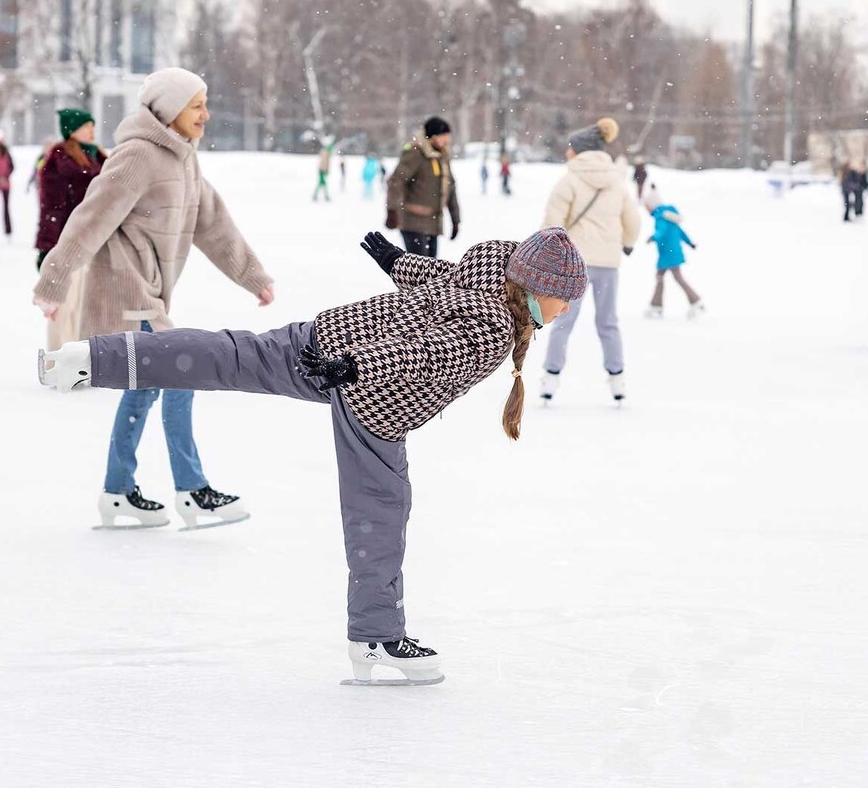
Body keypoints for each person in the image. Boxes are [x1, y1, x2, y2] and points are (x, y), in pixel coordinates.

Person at [39, 227, 587, 685]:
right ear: (537, 288)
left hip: (328, 335)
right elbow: (424, 351)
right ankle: (376, 639)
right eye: (564, 299)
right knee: (381, 507)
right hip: (373, 395)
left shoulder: (492, 270)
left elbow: (441, 281)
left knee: (230, 355)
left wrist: (398, 263)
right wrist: (356, 368)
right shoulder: (493, 329)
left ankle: (93, 358)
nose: (564, 311)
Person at [33, 67, 276, 531]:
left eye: (205, 103)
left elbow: (213, 223)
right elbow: (90, 218)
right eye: (197, 105)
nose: (206, 113)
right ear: (170, 109)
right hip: (126, 292)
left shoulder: (184, 159)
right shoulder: (139, 156)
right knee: (182, 368)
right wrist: (53, 283)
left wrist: (252, 276)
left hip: (152, 295)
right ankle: (192, 491)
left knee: (146, 388)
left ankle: (118, 490)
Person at [539, 118, 641, 405]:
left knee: (563, 320)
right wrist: (628, 243)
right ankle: (617, 378)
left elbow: (552, 224)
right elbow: (632, 219)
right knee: (608, 322)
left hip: (575, 265)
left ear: (580, 150)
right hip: (608, 263)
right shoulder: (617, 183)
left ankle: (550, 377)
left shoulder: (569, 181)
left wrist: (549, 256)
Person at [35, 108, 108, 356]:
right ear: (71, 131)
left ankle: (84, 358)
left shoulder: (99, 158)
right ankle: (60, 358)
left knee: (90, 304)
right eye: (86, 126)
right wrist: (48, 248)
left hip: (97, 242)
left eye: (92, 125)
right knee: (66, 305)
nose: (91, 130)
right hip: (67, 243)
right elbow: (50, 209)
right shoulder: (58, 162)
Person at [386, 116, 459, 258]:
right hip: (413, 223)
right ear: (433, 136)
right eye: (444, 136)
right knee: (419, 273)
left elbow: (450, 189)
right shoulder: (416, 153)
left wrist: (455, 220)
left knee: (431, 272)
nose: (447, 141)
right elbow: (396, 181)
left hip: (433, 224)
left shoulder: (442, 158)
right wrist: (392, 210)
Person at [642, 184, 703, 319]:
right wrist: (690, 242)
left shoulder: (660, 217)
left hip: (667, 254)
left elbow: (661, 231)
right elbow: (680, 232)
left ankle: (695, 301)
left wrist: (654, 237)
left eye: (647, 205)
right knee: (661, 277)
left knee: (672, 277)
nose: (646, 209)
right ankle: (656, 304)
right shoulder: (669, 216)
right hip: (672, 252)